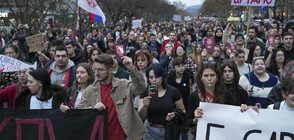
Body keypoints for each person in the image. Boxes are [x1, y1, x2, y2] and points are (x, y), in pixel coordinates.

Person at [77, 54, 147, 140]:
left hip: (124, 137)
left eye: (100, 70)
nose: (97, 73)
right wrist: (92, 108)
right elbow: (79, 111)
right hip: (99, 136)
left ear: (110, 70)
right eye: (95, 69)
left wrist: (131, 69)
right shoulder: (90, 90)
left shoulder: (124, 85)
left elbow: (141, 88)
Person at [138, 63, 186, 140]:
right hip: (150, 130)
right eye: (151, 77)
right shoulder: (145, 92)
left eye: (157, 77)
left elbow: (183, 111)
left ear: (162, 76)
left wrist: (174, 115)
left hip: (169, 130)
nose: (154, 80)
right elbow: (140, 117)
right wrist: (145, 106)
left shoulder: (173, 91)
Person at [187, 61, 232, 137]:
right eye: (206, 76)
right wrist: (195, 119)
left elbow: (233, 115)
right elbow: (188, 122)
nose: (209, 79)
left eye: (212, 75)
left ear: (217, 77)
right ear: (201, 77)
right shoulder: (194, 96)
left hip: (221, 134)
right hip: (202, 135)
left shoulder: (226, 94)